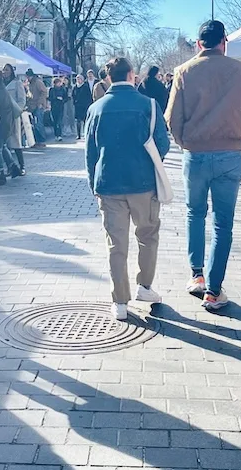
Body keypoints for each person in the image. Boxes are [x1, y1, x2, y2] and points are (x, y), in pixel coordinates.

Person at [166, 20, 241, 310]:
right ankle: (213, 290)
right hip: (229, 154)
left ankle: (195, 274)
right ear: (224, 42)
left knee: (194, 213)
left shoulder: (183, 72)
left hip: (195, 155)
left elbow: (172, 118)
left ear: (199, 44)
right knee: (223, 224)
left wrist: (187, 143)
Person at [86, 58, 169, 320]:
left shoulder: (96, 108)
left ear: (109, 78)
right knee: (147, 235)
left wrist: (94, 183)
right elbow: (162, 144)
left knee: (116, 244)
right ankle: (145, 286)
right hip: (143, 183)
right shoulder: (149, 105)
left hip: (108, 183)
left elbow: (90, 152)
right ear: (132, 75)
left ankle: (120, 301)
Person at [2, 64, 27, 175]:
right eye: (4, 70)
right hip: (3, 115)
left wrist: (18, 111)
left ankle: (22, 166)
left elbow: (22, 100)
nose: (5, 72)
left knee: (16, 141)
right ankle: (10, 167)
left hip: (13, 115)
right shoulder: (0, 84)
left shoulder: (17, 83)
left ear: (12, 71)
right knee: (4, 143)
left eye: (7, 70)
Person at [27, 70, 49, 148]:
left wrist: (40, 103)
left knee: (39, 123)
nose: (27, 78)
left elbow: (44, 92)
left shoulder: (38, 82)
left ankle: (42, 141)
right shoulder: (30, 83)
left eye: (28, 76)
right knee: (35, 124)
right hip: (32, 106)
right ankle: (36, 141)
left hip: (38, 106)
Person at [72, 73, 92, 140]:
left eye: (80, 78)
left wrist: (88, 104)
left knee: (85, 120)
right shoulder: (75, 87)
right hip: (78, 106)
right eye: (77, 79)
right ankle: (78, 134)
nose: (78, 80)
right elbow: (73, 95)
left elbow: (89, 96)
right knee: (78, 121)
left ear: (82, 79)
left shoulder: (86, 86)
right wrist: (75, 102)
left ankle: (86, 133)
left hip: (84, 106)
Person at [48, 76, 68, 141]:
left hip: (60, 107)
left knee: (59, 121)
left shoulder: (63, 89)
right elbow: (50, 98)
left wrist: (62, 100)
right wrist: (56, 98)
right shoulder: (52, 89)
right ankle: (56, 134)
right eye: (57, 83)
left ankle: (59, 135)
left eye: (60, 83)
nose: (59, 84)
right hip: (54, 107)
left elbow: (66, 98)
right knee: (55, 121)